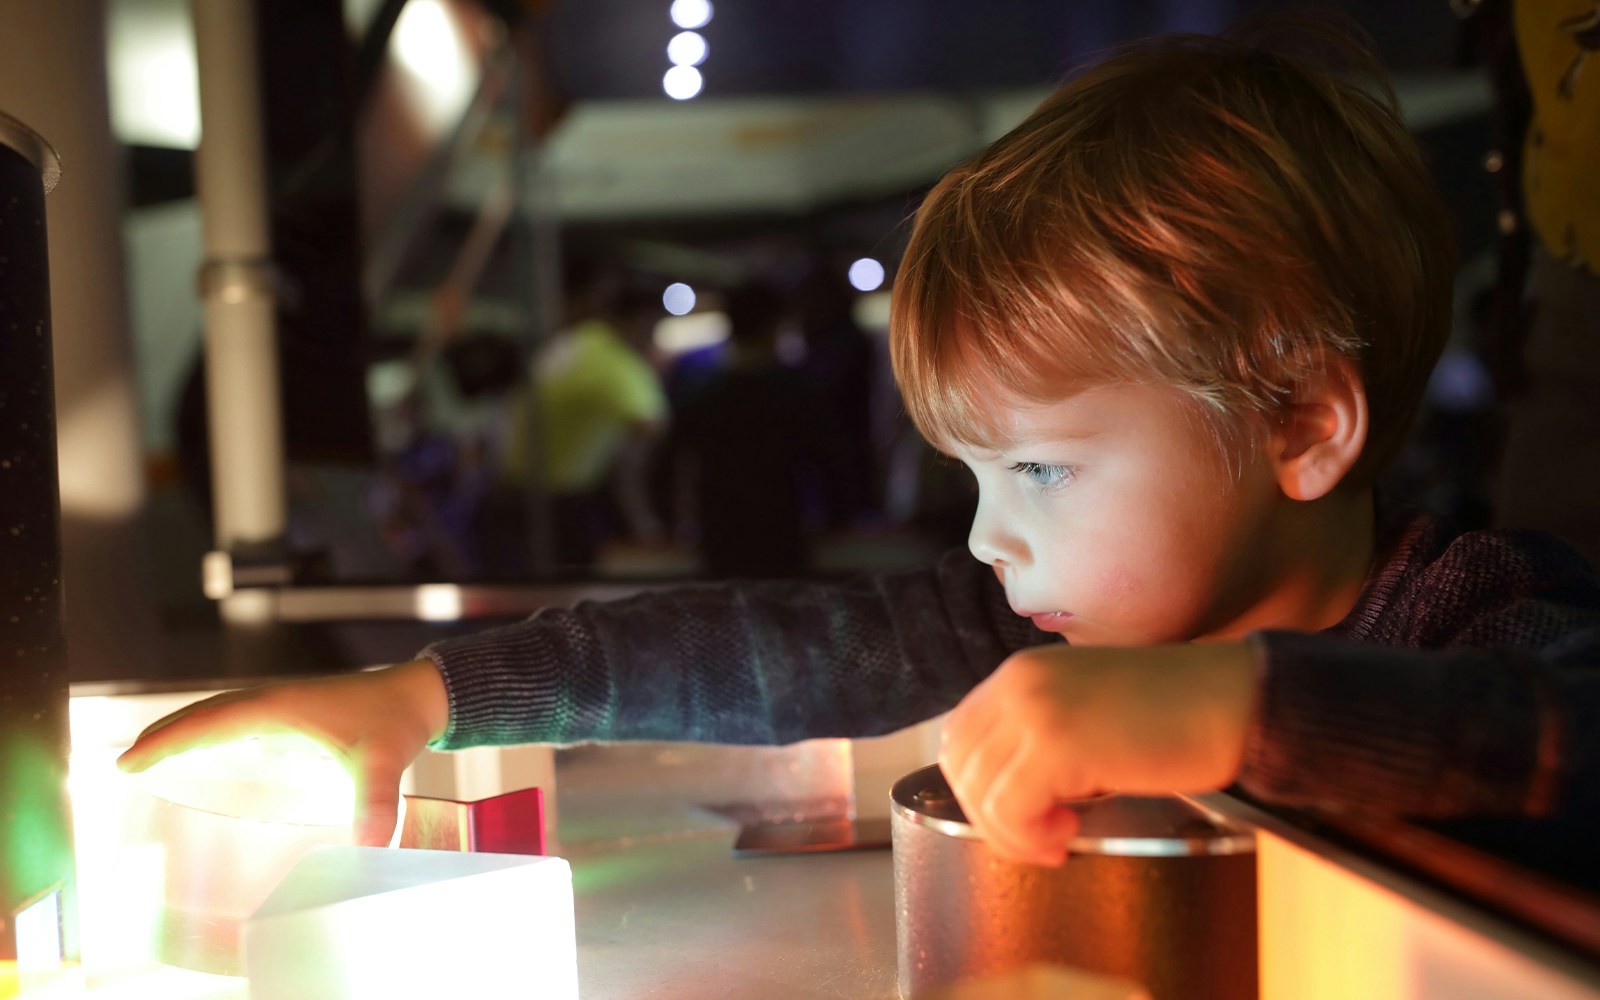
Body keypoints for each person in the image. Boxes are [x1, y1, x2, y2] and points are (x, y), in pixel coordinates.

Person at [119, 22, 1600, 868]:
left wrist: (1239, 710)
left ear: (1302, 426)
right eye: (977, 475)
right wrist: (425, 698)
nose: (988, 538)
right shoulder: (1015, 630)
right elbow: (749, 652)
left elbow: (1564, 740)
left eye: (1041, 469)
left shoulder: (1473, 613)